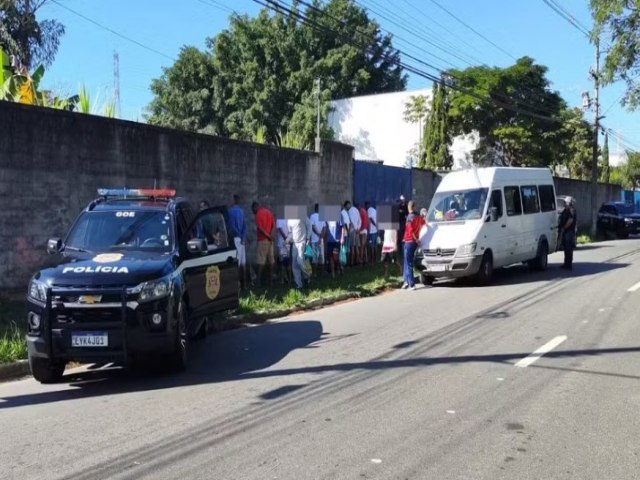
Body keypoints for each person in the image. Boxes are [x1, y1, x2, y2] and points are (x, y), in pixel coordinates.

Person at [401, 201, 425, 290]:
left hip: (410, 241)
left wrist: (416, 239)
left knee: (409, 262)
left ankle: (411, 284)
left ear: (408, 207)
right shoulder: (418, 216)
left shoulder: (409, 217)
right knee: (406, 262)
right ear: (414, 207)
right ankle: (406, 281)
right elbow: (424, 224)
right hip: (412, 242)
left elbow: (410, 230)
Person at [252, 201, 276, 287]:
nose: (253, 213)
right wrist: (272, 236)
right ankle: (271, 281)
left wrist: (268, 236)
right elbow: (273, 225)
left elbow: (261, 228)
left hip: (262, 240)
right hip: (270, 241)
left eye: (253, 210)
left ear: (255, 207)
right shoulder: (268, 212)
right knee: (271, 261)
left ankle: (258, 282)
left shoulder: (258, 214)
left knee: (260, 261)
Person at [227, 194, 248, 290]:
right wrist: (243, 237)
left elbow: (231, 227)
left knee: (236, 264)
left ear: (233, 200)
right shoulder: (241, 211)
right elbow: (244, 226)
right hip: (242, 240)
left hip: (235, 239)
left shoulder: (230, 211)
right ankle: (244, 285)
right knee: (243, 263)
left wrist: (237, 236)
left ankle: (237, 286)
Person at [288, 215, 312, 290]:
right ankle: (299, 284)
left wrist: (308, 238)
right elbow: (290, 233)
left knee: (300, 260)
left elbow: (309, 226)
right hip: (295, 244)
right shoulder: (289, 220)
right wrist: (287, 240)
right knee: (294, 265)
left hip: (302, 242)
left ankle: (307, 276)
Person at [558, 197, 576, 270]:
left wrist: (564, 227)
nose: (564, 204)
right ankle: (566, 264)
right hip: (566, 231)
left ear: (569, 203)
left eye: (565, 202)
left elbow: (570, 220)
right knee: (565, 248)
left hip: (569, 232)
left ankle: (568, 265)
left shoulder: (571, 210)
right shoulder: (566, 210)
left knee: (568, 248)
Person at [309, 203, 326, 277]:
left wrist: (319, 235)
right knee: (321, 256)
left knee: (315, 257)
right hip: (320, 240)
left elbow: (312, 227)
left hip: (314, 239)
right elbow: (324, 228)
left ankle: (315, 273)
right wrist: (321, 236)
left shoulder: (312, 216)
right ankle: (321, 273)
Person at [275, 216, 291, 285]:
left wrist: (285, 238)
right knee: (287, 262)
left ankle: (282, 280)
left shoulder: (279, 219)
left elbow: (280, 229)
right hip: (288, 242)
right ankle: (289, 279)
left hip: (282, 243)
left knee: (282, 262)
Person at [347, 201, 362, 265]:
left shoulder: (349, 211)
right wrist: (358, 228)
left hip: (352, 229)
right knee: (357, 246)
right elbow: (360, 220)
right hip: (357, 230)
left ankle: (352, 262)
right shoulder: (356, 210)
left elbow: (352, 220)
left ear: (349, 204)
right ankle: (358, 260)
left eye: (347, 205)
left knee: (352, 246)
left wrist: (355, 228)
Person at [365, 201, 378, 265]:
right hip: (375, 231)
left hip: (371, 231)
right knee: (375, 246)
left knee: (371, 247)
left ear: (367, 205)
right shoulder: (374, 210)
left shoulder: (369, 211)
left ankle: (372, 261)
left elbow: (370, 219)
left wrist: (375, 224)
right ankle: (375, 259)